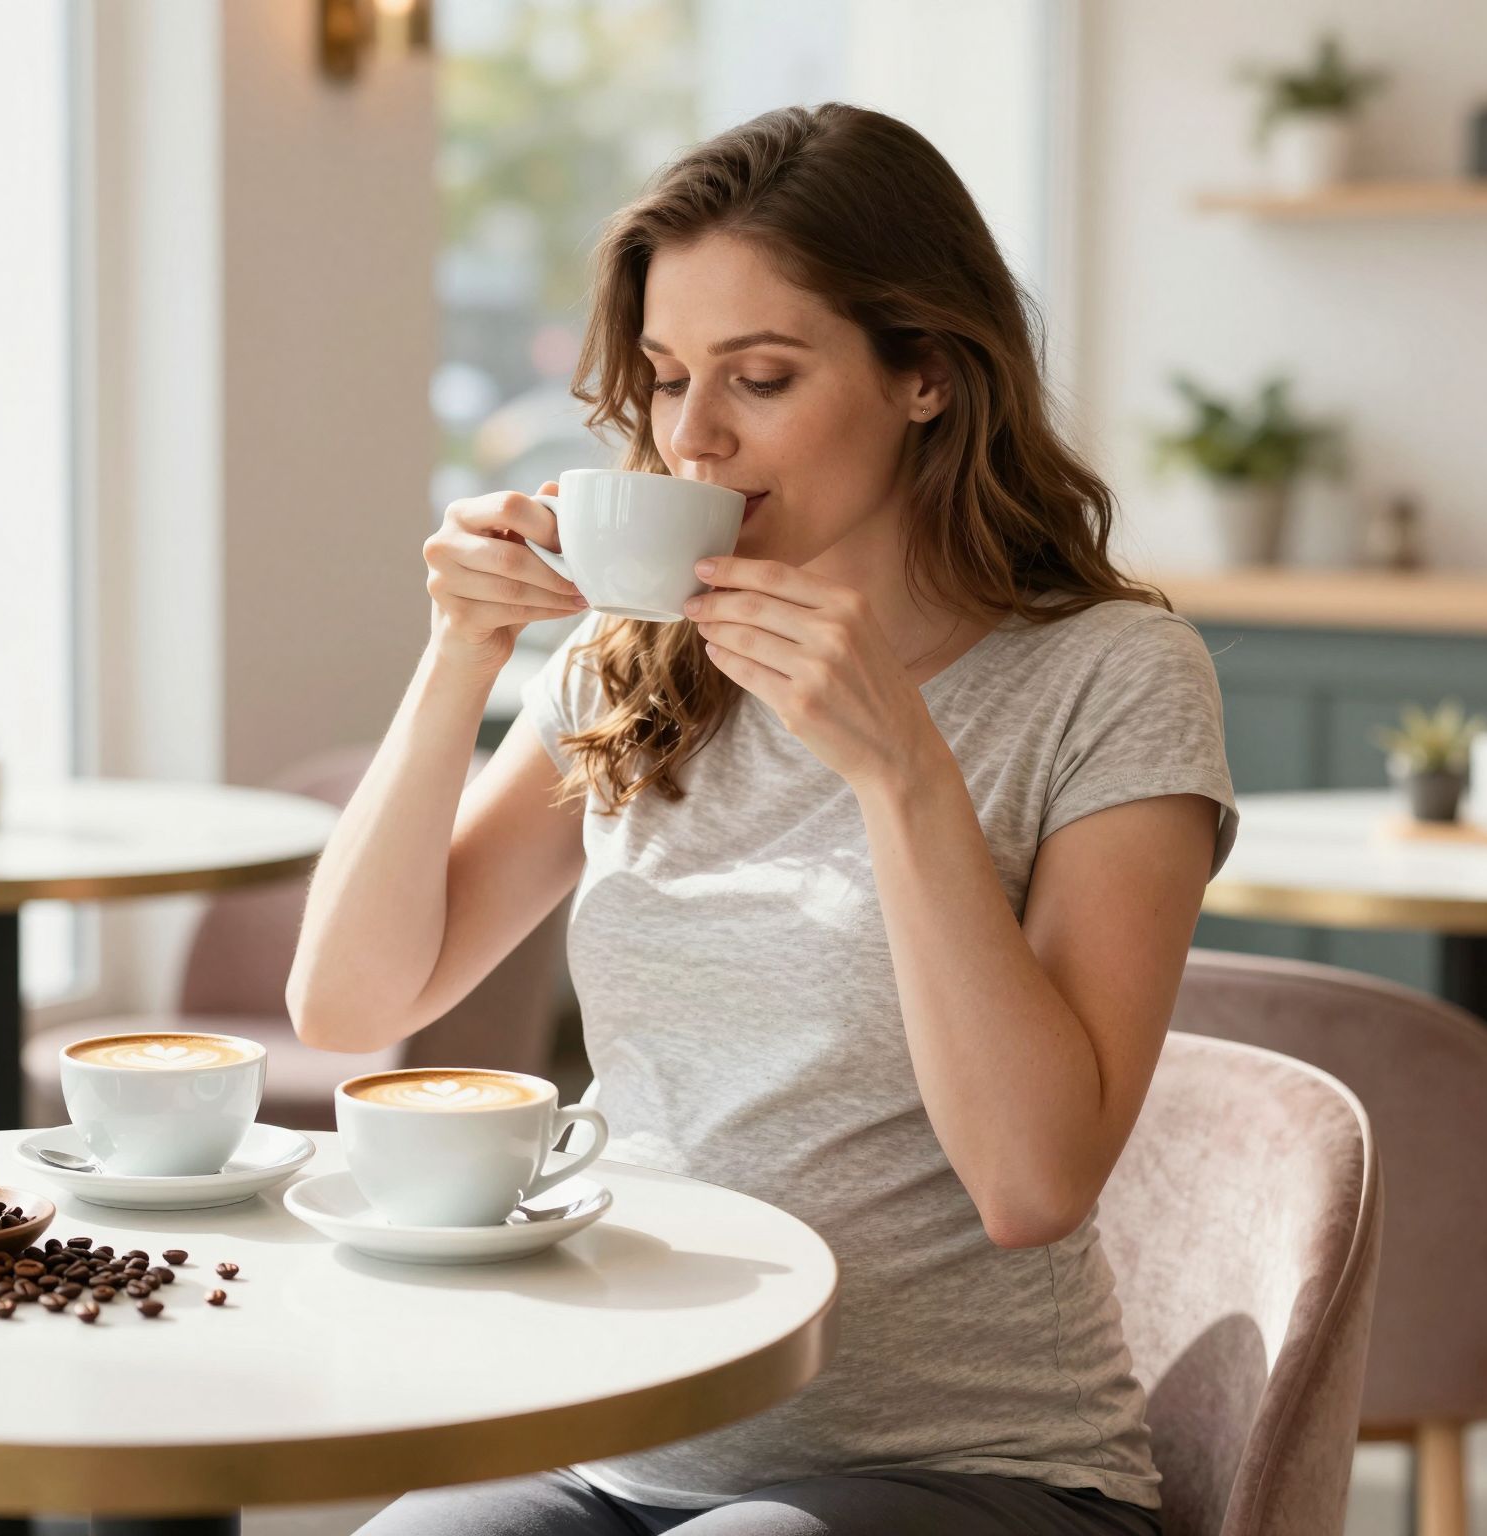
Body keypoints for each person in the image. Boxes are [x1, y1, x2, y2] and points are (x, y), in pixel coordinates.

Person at [288, 102, 1238, 1536]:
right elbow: (352, 1003)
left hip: (967, 1466)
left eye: (765, 377)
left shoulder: (1109, 678)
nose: (696, 439)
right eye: (668, 379)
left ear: (926, 372)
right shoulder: (634, 660)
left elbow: (1034, 1183)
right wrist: (455, 662)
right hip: (619, 1440)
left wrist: (902, 772)